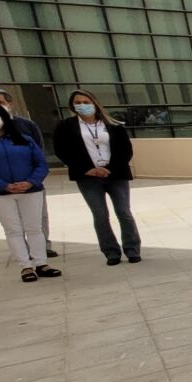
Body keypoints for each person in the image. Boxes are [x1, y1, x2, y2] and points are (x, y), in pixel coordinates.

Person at [0, 100, 59, 283]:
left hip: (30, 191)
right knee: (13, 230)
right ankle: (25, 266)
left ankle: (41, 263)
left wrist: (31, 182)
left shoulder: (24, 138)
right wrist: (3, 185)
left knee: (34, 228)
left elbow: (41, 163)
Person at [53, 89, 142, 265]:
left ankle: (132, 249)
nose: (82, 105)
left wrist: (109, 168)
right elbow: (62, 150)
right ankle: (111, 252)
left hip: (115, 175)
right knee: (100, 215)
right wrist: (87, 169)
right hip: (88, 177)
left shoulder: (113, 125)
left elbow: (126, 150)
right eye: (78, 102)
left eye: (86, 102)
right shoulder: (66, 126)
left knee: (124, 212)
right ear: (73, 106)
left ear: (94, 103)